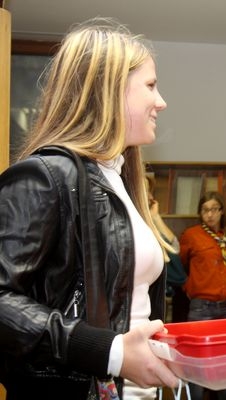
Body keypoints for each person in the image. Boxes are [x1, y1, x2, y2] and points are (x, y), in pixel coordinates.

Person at [0, 18, 180, 399]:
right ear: (110, 89)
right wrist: (112, 353)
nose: (161, 102)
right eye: (150, 86)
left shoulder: (119, 180)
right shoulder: (47, 175)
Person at [179, 191, 226, 400]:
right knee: (198, 362)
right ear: (200, 213)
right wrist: (190, 286)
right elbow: (180, 265)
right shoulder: (191, 235)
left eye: (214, 209)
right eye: (205, 210)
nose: (210, 214)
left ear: (222, 211)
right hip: (202, 307)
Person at [145, 175, 189, 322]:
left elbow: (174, 248)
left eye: (151, 192)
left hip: (153, 301)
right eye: (146, 190)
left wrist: (156, 218)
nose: (151, 197)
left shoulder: (148, 225)